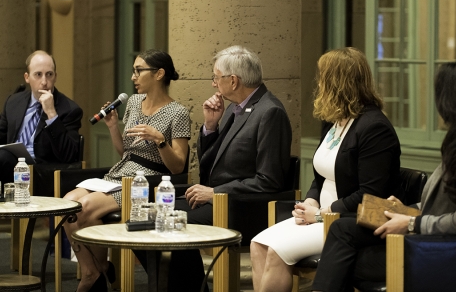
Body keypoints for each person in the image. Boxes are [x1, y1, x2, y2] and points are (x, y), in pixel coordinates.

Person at [311, 57, 456, 292]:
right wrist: (406, 208)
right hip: (431, 235)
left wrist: (411, 221)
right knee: (342, 230)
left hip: (450, 250)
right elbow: (448, 200)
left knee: (346, 259)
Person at [250, 47, 403, 292]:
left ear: (337, 83)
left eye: (322, 77)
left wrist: (323, 213)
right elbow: (321, 175)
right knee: (258, 244)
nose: (318, 83)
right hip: (318, 216)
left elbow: (370, 194)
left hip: (345, 221)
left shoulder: (375, 128)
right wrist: (310, 200)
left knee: (277, 252)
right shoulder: (335, 120)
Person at [164, 45, 293, 292]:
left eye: (216, 77)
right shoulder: (240, 108)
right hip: (219, 200)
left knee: (172, 223)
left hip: (242, 207)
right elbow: (210, 166)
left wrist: (216, 193)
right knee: (148, 215)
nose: (214, 84)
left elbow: (270, 180)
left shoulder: (270, 112)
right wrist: (211, 127)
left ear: (233, 81)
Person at [63, 49, 190, 292]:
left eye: (139, 70)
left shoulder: (178, 112)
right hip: (121, 172)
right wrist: (112, 126)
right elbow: (126, 152)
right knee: (69, 203)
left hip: (147, 182)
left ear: (159, 74)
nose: (133, 76)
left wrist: (159, 140)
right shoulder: (132, 102)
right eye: (133, 70)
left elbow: (178, 166)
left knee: (86, 207)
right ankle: (96, 270)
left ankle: (92, 275)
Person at [0, 50, 83, 189]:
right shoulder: (13, 101)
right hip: (10, 166)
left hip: (44, 173)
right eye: (38, 75)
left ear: (55, 77)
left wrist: (51, 113)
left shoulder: (69, 109)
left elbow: (68, 156)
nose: (44, 82)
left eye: (49, 75)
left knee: (2, 158)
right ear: (27, 77)